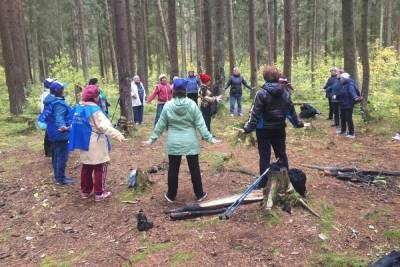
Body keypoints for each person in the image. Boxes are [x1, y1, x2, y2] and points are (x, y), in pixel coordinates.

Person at [143, 78, 220, 203]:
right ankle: (199, 194)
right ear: (185, 90)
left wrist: (152, 139)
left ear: (173, 91)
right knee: (194, 167)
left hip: (174, 142)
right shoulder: (192, 104)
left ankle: (171, 195)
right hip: (190, 141)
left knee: (173, 168)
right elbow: (201, 124)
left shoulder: (168, 105)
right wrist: (210, 138)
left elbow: (160, 124)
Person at [241, 66, 303, 188]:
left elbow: (254, 113)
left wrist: (247, 128)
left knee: (265, 156)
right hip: (279, 129)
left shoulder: (261, 93)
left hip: (263, 130)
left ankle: (263, 183)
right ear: (277, 77)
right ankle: (286, 183)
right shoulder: (285, 92)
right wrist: (298, 124)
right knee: (281, 154)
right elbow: (291, 112)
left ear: (265, 77)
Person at [69, 85, 126, 201]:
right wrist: (118, 135)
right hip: (95, 142)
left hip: (83, 142)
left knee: (86, 166)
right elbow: (104, 126)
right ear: (95, 97)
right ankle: (99, 193)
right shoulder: (94, 110)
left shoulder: (78, 107)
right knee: (99, 167)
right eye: (98, 95)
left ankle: (85, 191)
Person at [43, 81, 74, 185]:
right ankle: (60, 179)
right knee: (62, 156)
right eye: (62, 89)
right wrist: (63, 127)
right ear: (59, 91)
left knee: (56, 154)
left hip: (52, 132)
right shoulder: (58, 103)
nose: (63, 90)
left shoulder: (51, 101)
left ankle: (58, 177)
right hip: (60, 134)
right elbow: (59, 117)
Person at [337, 73, 358, 138]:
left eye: (341, 78)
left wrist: (355, 97)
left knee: (348, 118)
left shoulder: (350, 84)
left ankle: (351, 133)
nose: (340, 79)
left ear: (345, 78)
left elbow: (352, 91)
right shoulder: (342, 84)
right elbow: (341, 92)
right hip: (342, 103)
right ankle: (343, 131)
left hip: (349, 103)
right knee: (342, 117)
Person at [41, 78, 55, 157]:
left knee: (49, 132)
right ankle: (48, 150)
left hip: (47, 115)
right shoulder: (46, 94)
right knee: (49, 133)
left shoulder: (47, 94)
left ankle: (49, 150)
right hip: (48, 115)